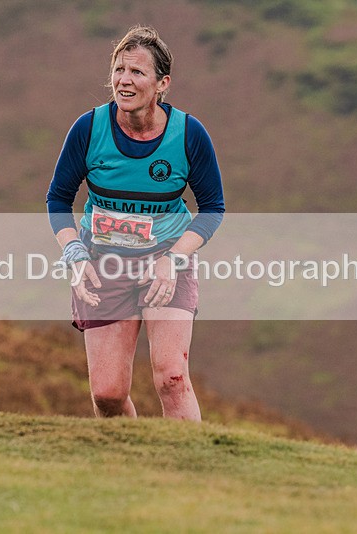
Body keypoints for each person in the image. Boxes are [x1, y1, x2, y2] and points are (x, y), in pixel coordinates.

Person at [46, 25, 225, 420]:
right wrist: (75, 253)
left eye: (137, 72)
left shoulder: (189, 134)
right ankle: (134, 469)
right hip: (102, 264)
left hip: (166, 263)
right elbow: (58, 199)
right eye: (119, 70)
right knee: (108, 395)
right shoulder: (88, 129)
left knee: (172, 377)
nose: (124, 80)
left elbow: (213, 206)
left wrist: (175, 258)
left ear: (162, 83)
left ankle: (188, 476)